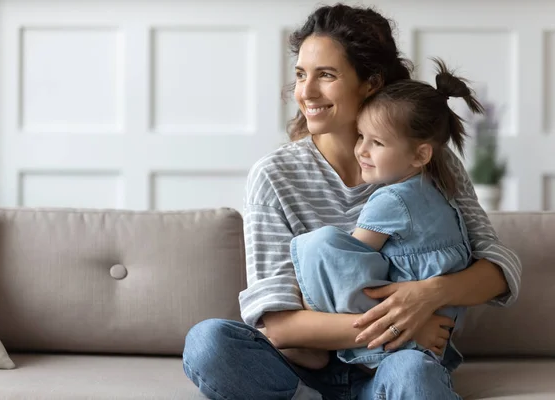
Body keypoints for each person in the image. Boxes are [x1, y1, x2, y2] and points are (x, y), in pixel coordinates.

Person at [183, 4, 521, 399]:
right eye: (300, 74)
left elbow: (500, 269)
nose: (305, 92)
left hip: (398, 361)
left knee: (413, 373)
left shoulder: (426, 163)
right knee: (208, 343)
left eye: (325, 75)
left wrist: (427, 296)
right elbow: (277, 325)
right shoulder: (274, 176)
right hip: (302, 371)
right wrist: (403, 324)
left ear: (370, 82)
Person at [283, 58, 482, 372]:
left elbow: (348, 259)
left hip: (404, 326)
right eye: (361, 137)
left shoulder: (390, 200)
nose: (361, 150)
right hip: (443, 322)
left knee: (320, 246)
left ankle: (314, 337)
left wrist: (307, 305)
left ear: (420, 154)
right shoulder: (437, 185)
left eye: (376, 143)